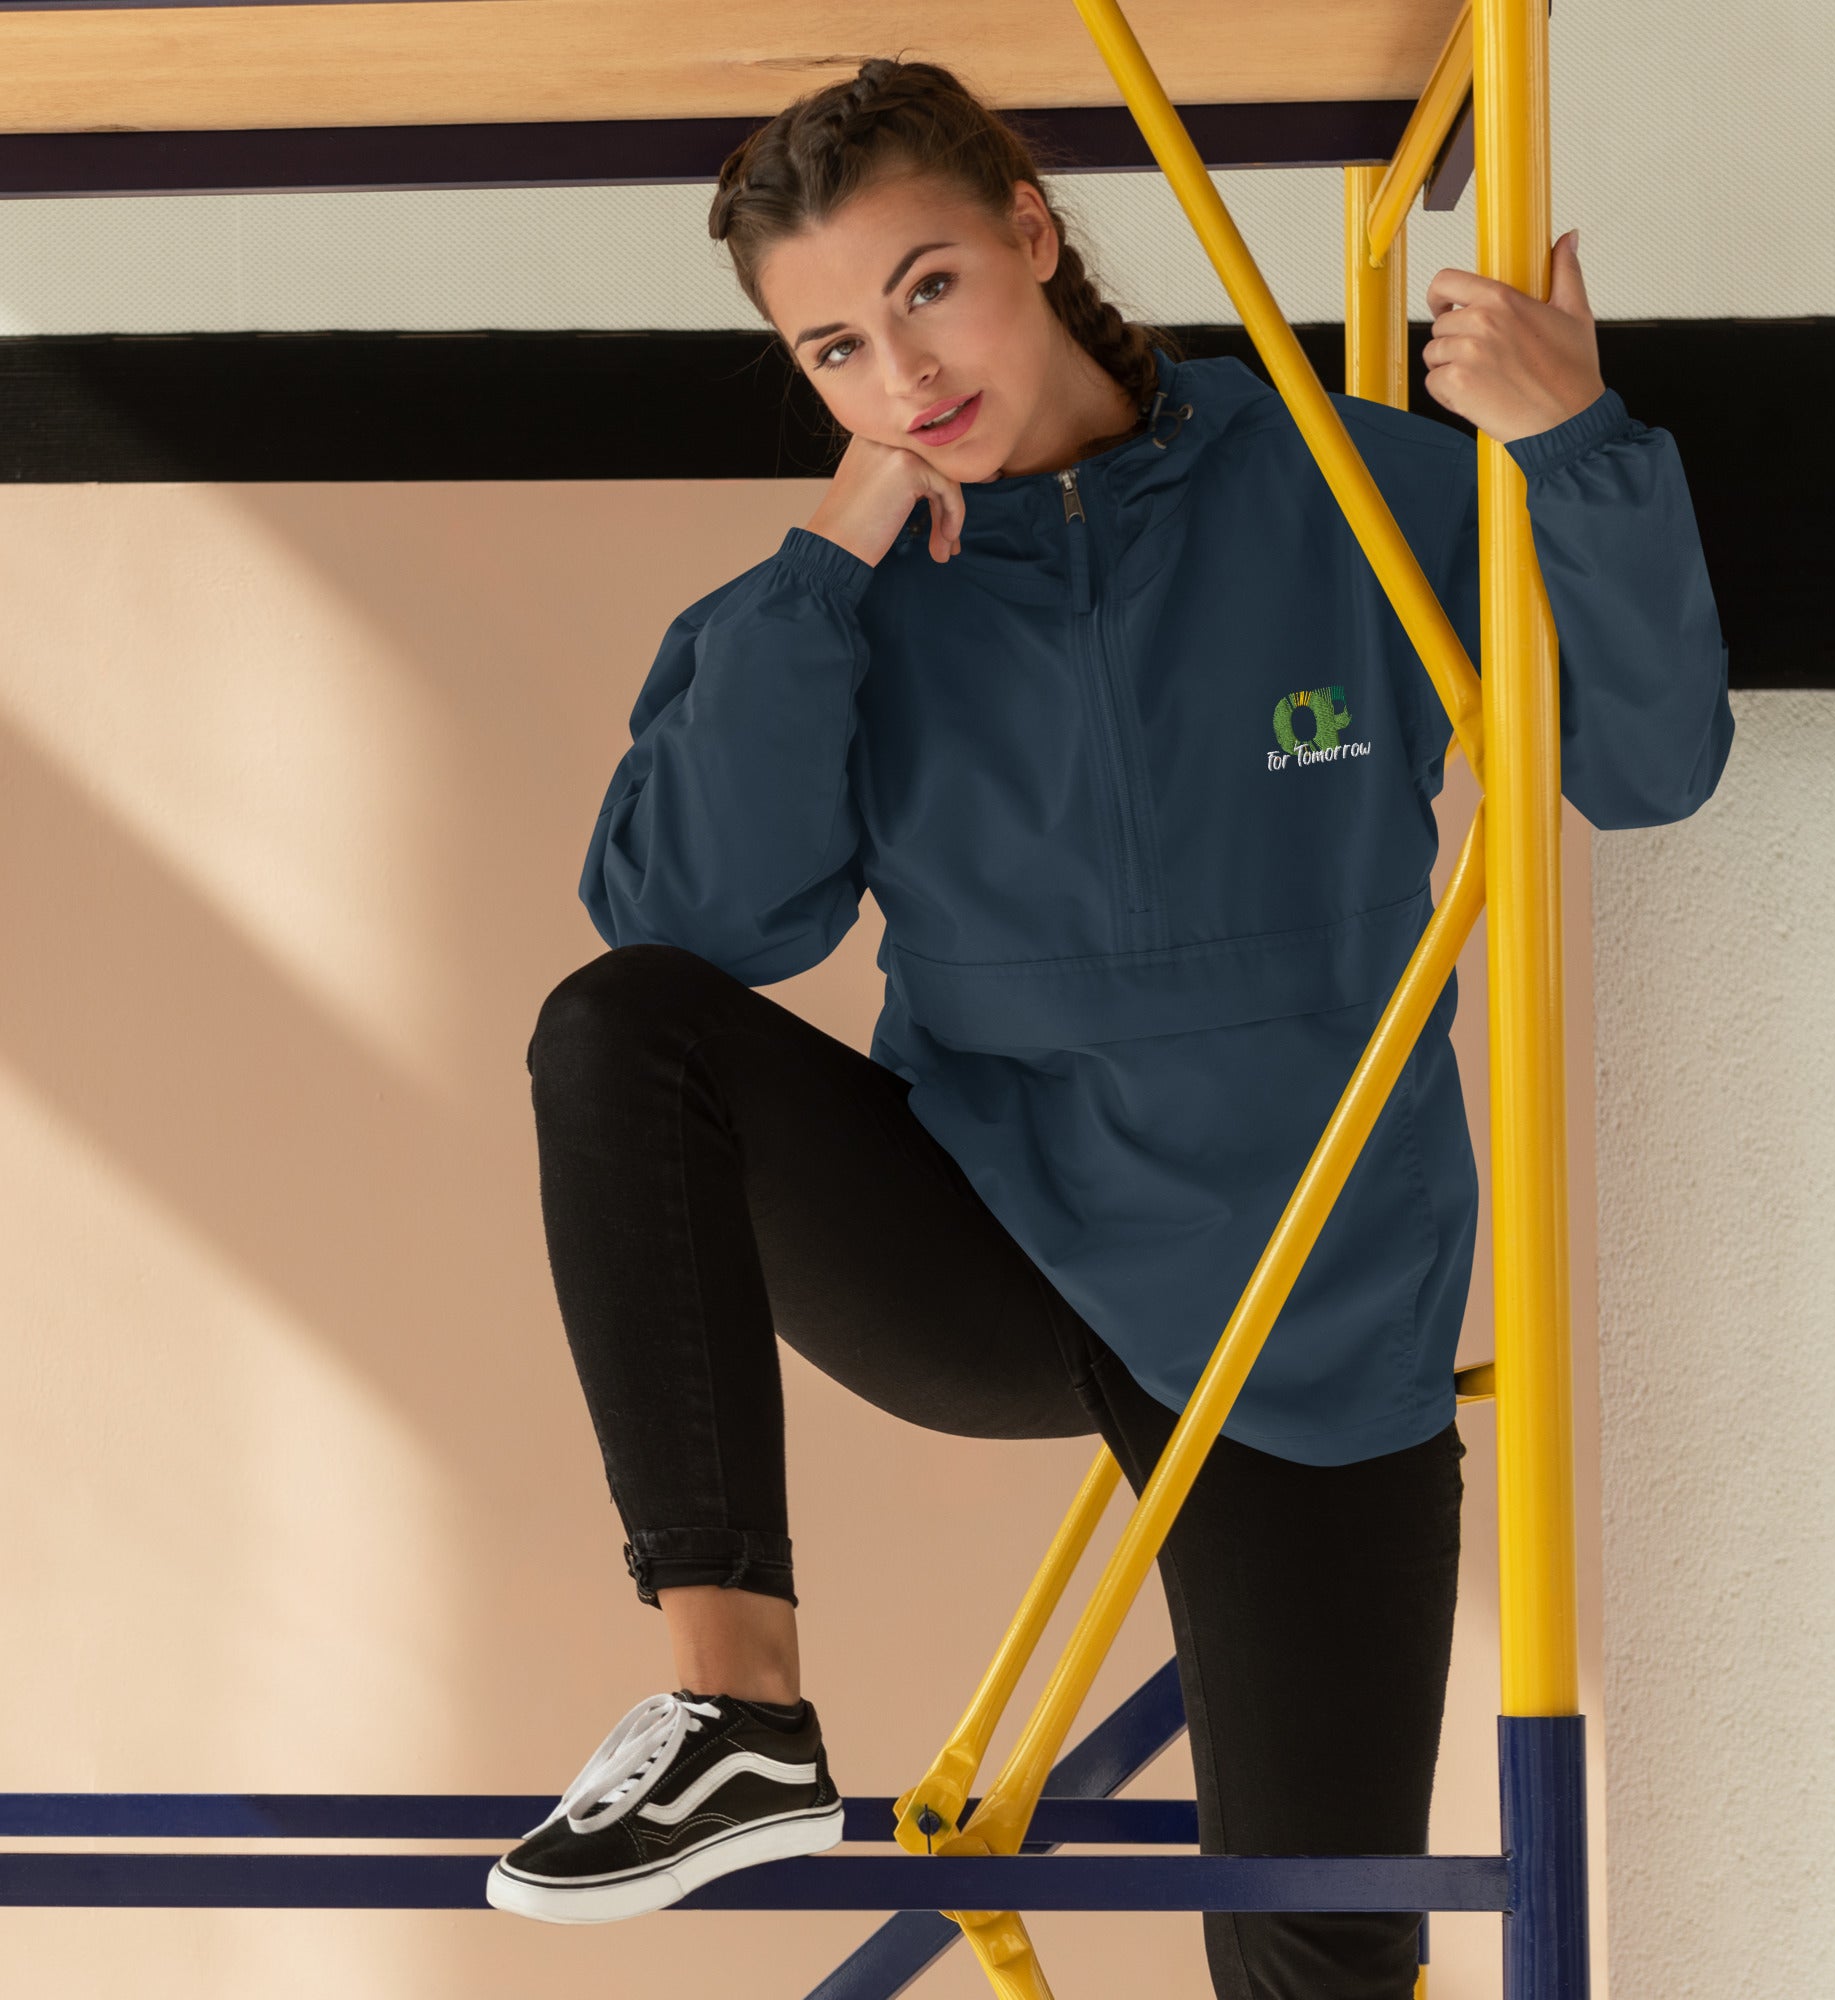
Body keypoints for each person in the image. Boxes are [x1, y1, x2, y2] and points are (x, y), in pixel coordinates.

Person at [486, 54, 1734, 2000]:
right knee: (618, 1025)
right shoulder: (843, 600)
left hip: (1308, 1293)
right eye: (832, 348)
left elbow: (1646, 768)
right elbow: (700, 925)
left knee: (1317, 1949)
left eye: (926, 288)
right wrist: (828, 563)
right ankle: (736, 1709)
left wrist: (1573, 444)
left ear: (1031, 233)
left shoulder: (1347, 489)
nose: (903, 374)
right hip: (993, 1239)